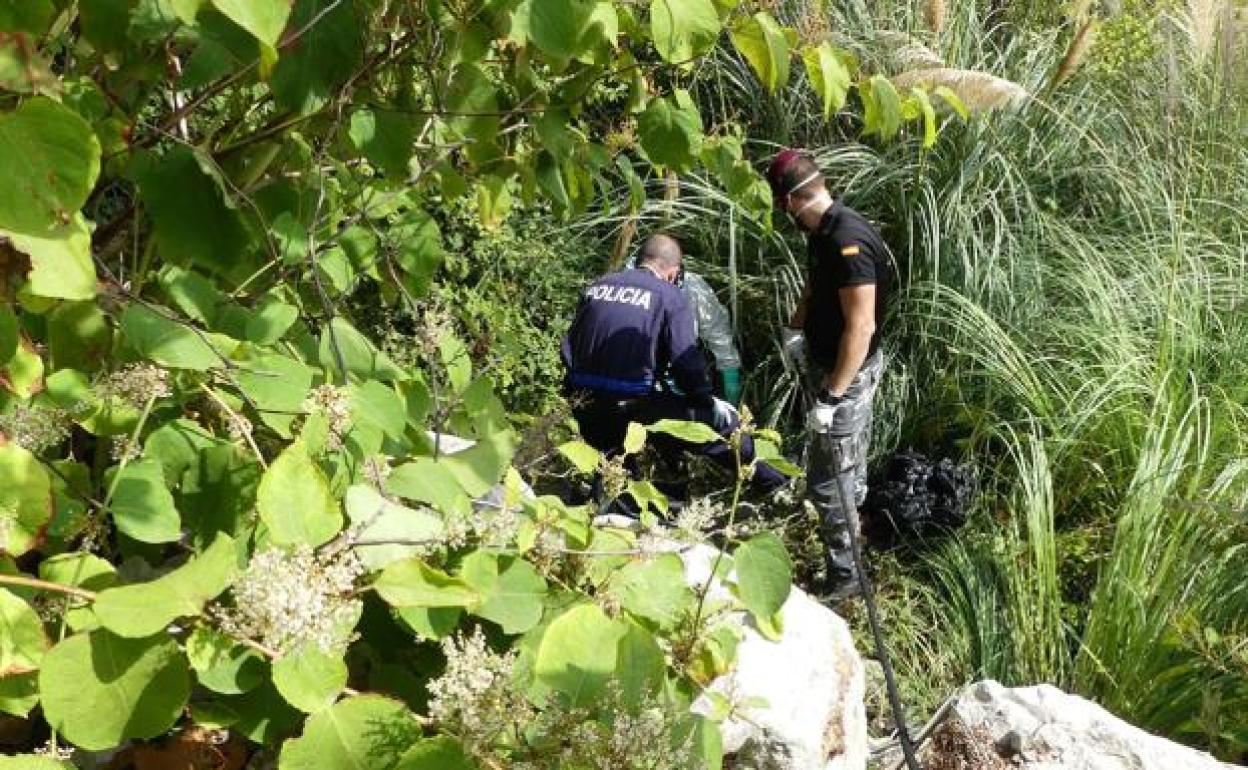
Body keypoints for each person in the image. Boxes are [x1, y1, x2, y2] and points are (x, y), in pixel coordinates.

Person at [561, 233, 787, 498]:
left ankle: (621, 500)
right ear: (673, 272)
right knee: (720, 431)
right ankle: (778, 486)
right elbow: (686, 362)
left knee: (614, 466)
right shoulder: (669, 295)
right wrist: (707, 403)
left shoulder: (598, 285)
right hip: (633, 403)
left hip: (583, 403)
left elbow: (569, 347)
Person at [767, 148, 892, 599]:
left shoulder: (847, 240)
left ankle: (846, 575)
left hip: (847, 377)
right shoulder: (820, 233)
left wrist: (832, 397)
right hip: (828, 367)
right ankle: (852, 533)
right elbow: (816, 284)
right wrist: (796, 327)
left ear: (790, 202)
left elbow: (862, 326)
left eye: (783, 209)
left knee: (827, 480)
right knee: (845, 465)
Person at [626, 255, 745, 405]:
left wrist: (730, 385)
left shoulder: (693, 288)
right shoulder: (626, 283)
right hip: (631, 373)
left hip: (677, 374)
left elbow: (720, 338)